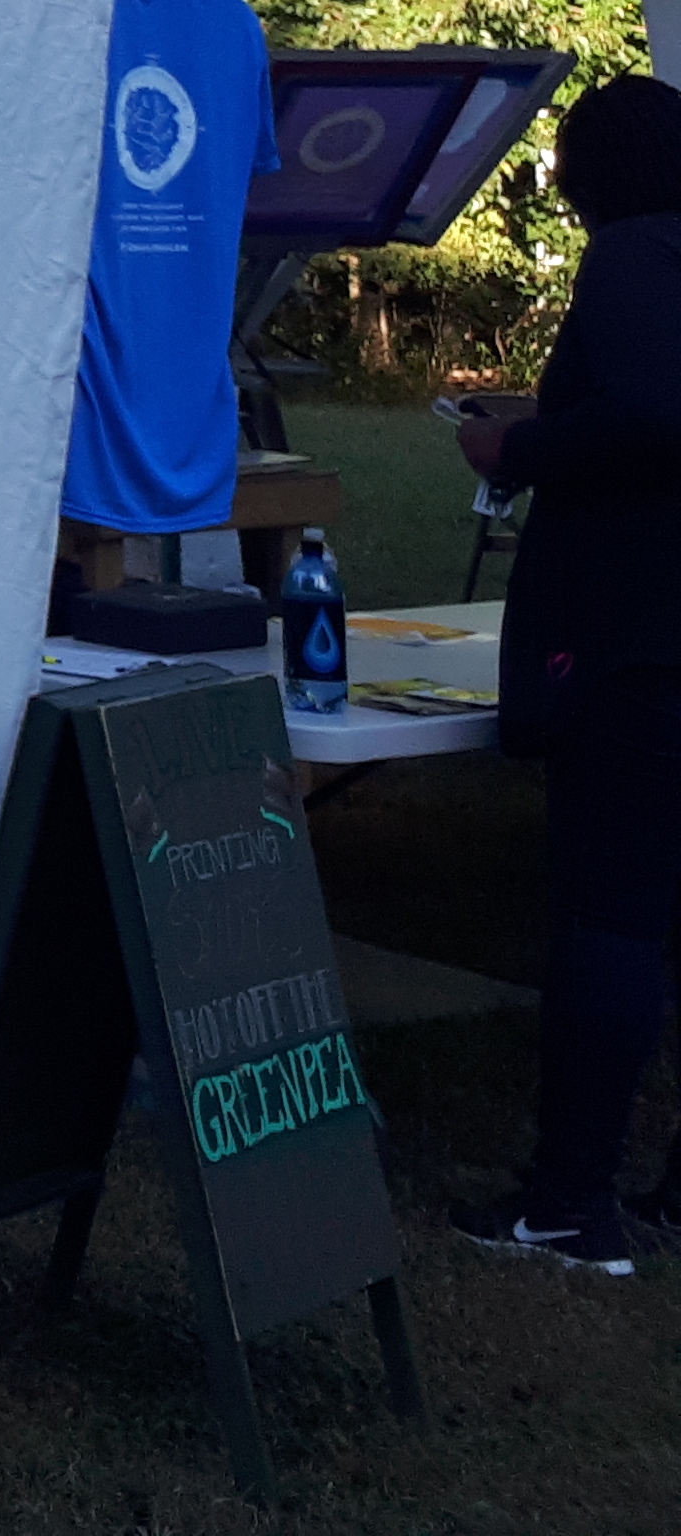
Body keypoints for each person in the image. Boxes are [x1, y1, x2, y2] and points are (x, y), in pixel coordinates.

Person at [447, 69, 681, 1275]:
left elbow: (650, 408)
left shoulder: (635, 255)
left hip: (635, 638)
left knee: (611, 918)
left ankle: (570, 1201)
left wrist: (517, 445)